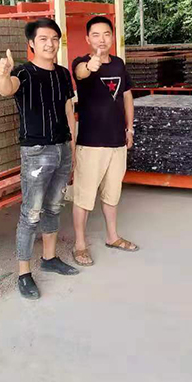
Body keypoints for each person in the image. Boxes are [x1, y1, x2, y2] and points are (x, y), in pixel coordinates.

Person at [0, 17, 79, 300]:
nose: (50, 44)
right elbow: (6, 89)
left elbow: (69, 111)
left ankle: (50, 258)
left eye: (54, 39)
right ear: (31, 43)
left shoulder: (63, 74)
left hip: (62, 148)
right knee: (31, 213)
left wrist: (73, 149)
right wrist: (4, 74)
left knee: (54, 207)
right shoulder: (23, 73)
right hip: (36, 152)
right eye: (43, 39)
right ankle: (23, 273)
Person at [70, 16, 139, 266]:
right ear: (87, 39)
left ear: (113, 37)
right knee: (84, 197)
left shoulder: (119, 64)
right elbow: (81, 72)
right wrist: (91, 66)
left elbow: (127, 97)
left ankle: (112, 236)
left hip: (117, 142)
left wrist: (129, 130)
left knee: (112, 194)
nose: (102, 39)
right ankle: (80, 245)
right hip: (91, 144)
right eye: (96, 35)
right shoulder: (81, 63)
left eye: (106, 34)